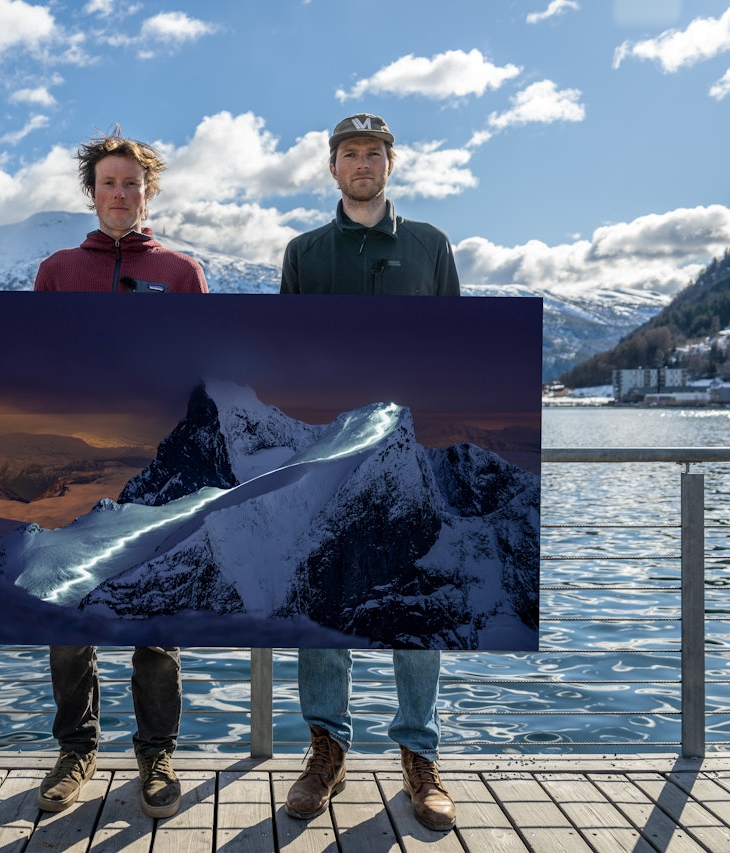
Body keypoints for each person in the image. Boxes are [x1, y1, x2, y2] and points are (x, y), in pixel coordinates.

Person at [279, 113, 461, 832]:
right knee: (324, 597)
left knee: (417, 600)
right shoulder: (304, 252)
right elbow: (286, 358)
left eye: (374, 154)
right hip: (330, 456)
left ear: (392, 164)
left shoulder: (430, 246)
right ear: (332, 167)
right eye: (350, 154)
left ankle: (419, 754)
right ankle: (327, 748)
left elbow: (457, 347)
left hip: (411, 454)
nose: (362, 164)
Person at [33, 131, 207, 819]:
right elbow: (31, 366)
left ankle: (156, 755)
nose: (120, 194)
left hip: (158, 469)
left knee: (155, 617)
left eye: (132, 183)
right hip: (73, 467)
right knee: (67, 614)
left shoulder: (183, 273)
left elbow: (201, 375)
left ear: (148, 190)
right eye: (109, 182)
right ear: (92, 190)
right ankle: (76, 748)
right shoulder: (55, 271)